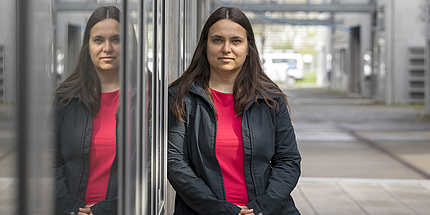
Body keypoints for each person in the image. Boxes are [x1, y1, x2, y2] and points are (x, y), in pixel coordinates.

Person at [168, 6, 301, 215]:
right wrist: (224, 210)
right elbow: (176, 164)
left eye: (236, 41)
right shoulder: (181, 96)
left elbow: (289, 160)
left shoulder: (269, 98)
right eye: (217, 40)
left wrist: (260, 208)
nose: (226, 48)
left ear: (248, 48)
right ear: (205, 46)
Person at [51, 6, 120, 215]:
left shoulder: (148, 96)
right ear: (87, 46)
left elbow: (150, 167)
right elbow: (48, 160)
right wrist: (72, 208)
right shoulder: (66, 97)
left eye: (116, 39)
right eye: (98, 40)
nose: (107, 48)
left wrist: (106, 210)